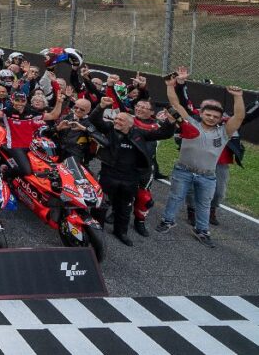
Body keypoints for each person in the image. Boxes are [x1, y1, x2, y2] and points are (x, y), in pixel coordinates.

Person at [156, 78, 245, 247]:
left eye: (215, 117)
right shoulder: (190, 122)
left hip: (207, 176)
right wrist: (169, 86)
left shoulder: (224, 132)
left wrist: (238, 96)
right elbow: (175, 104)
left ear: (221, 119)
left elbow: (239, 116)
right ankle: (167, 221)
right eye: (208, 115)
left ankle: (202, 230)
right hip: (183, 171)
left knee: (204, 205)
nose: (211, 118)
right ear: (201, 113)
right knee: (175, 197)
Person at [89, 99, 175, 246]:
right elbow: (94, 119)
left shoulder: (140, 133)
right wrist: (101, 106)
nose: (117, 121)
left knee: (125, 207)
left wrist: (171, 121)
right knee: (101, 204)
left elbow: (163, 133)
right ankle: (96, 230)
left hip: (130, 178)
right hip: (108, 175)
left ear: (130, 123)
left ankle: (121, 232)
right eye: (116, 119)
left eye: (121, 120)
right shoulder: (109, 129)